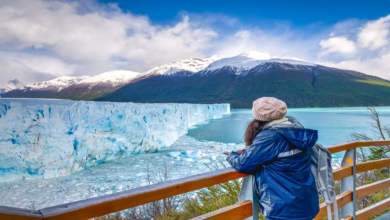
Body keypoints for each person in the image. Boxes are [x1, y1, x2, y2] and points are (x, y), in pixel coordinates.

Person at [225, 97, 319, 220]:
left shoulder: (269, 137)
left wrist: (232, 155)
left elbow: (244, 164)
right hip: (306, 202)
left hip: (284, 208)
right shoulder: (297, 129)